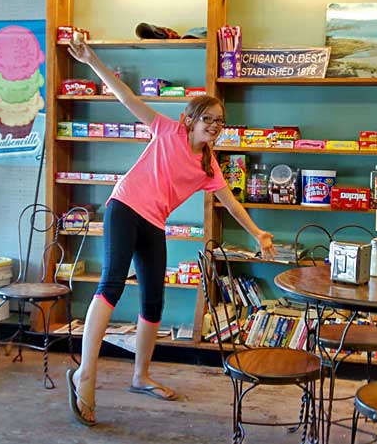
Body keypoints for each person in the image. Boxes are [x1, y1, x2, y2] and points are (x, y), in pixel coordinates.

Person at [65, 35, 277, 426]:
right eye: (207, 119)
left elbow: (230, 202)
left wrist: (258, 233)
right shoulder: (166, 131)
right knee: (111, 285)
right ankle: (85, 374)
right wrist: (92, 59)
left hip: (153, 222)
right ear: (189, 120)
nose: (214, 126)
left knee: (154, 302)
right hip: (124, 207)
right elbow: (126, 96)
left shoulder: (208, 167)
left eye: (220, 121)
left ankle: (141, 375)